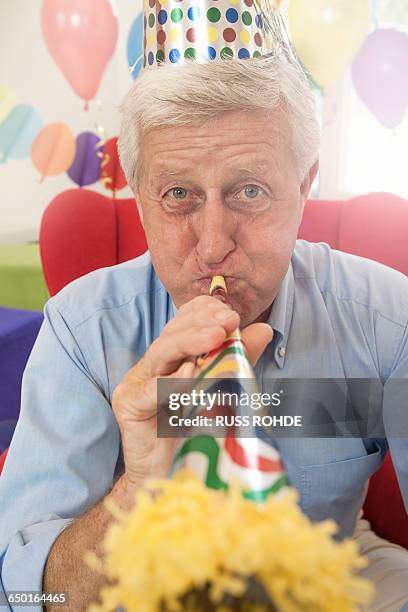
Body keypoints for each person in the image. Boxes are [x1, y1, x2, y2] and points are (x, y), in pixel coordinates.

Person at [1, 5, 408, 611]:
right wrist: (136, 492)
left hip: (329, 561)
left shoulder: (386, 319)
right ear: (139, 200)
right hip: (141, 585)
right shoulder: (82, 330)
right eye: (178, 195)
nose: (214, 245)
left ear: (304, 186)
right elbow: (28, 592)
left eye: (250, 191)